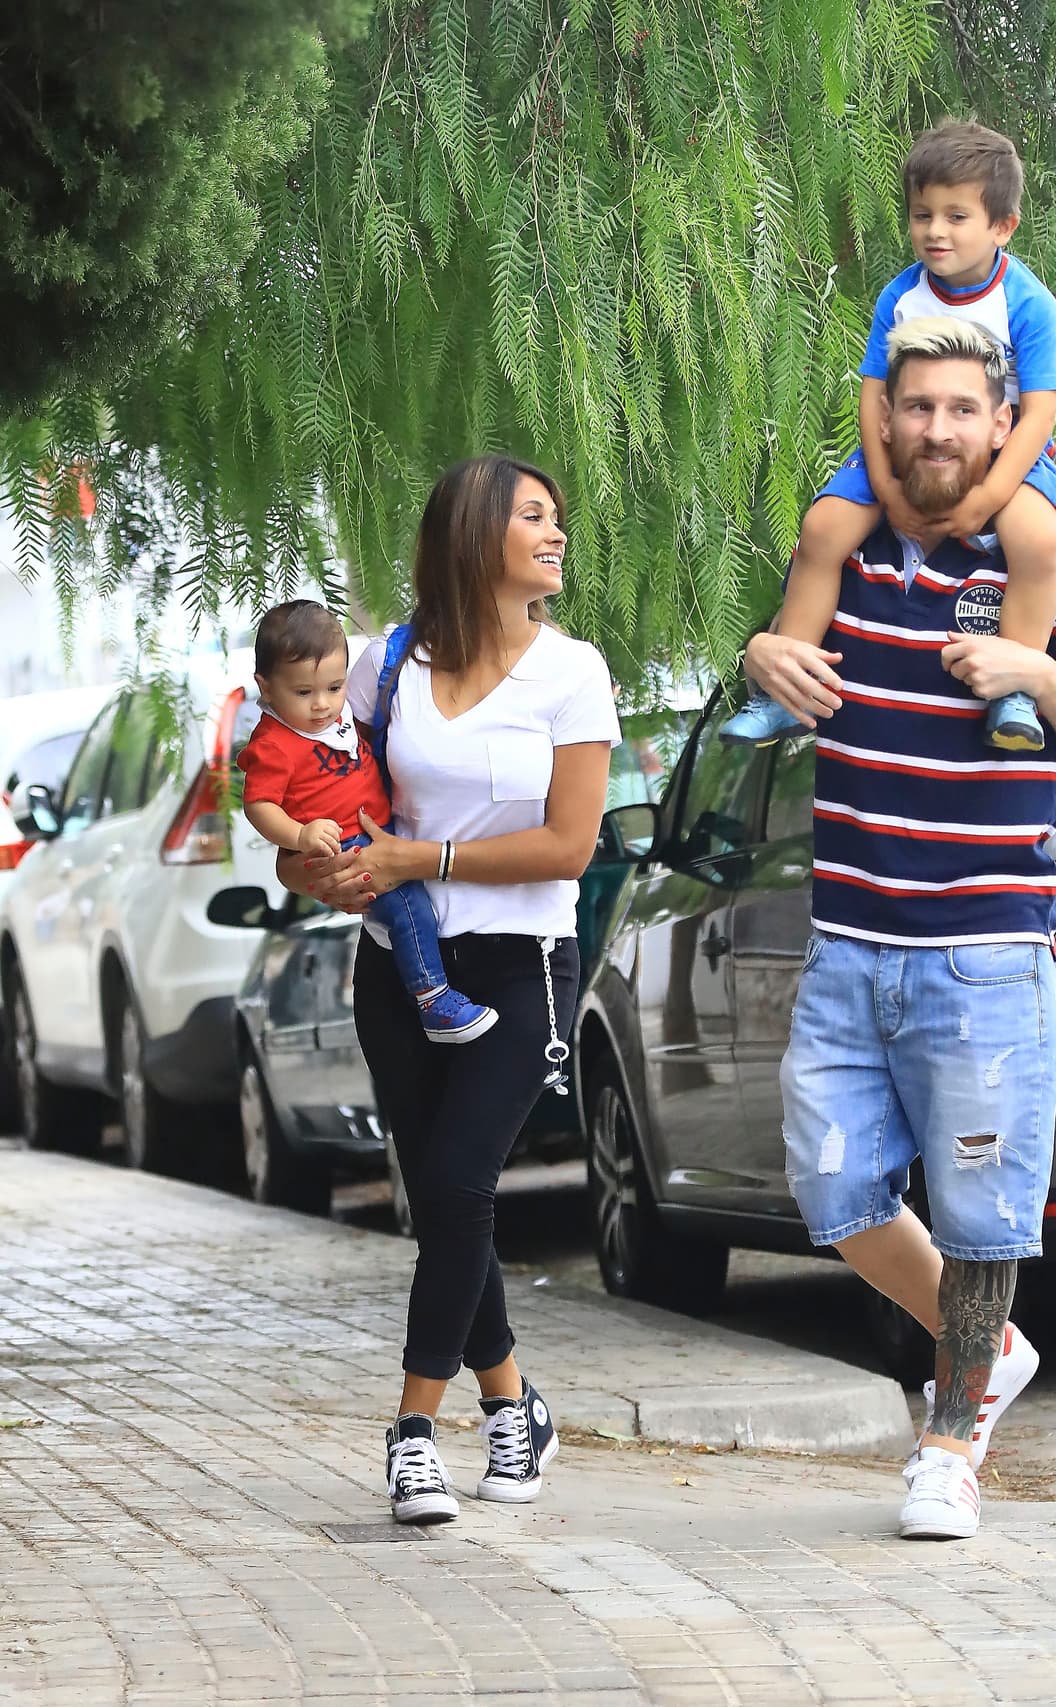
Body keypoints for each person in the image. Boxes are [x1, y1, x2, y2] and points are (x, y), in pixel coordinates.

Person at [746, 318, 1056, 1540]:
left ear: (999, 421)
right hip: (849, 939)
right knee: (829, 1184)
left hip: (983, 950)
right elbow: (783, 663)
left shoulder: (1051, 562)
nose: (934, 430)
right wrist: (764, 654)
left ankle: (948, 1439)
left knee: (979, 1211)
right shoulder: (847, 547)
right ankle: (988, 1350)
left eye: (960, 410)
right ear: (885, 419)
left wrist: (1033, 677)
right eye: (913, 407)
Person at [275, 456, 620, 1523]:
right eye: (532, 517)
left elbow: (568, 847)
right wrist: (315, 863)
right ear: (475, 536)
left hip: (521, 968)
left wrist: (420, 863)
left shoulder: (573, 673)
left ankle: (413, 1433)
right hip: (398, 967)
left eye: (555, 517)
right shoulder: (385, 667)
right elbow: (331, 811)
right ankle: (514, 1404)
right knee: (441, 1202)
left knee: (464, 1186)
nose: (555, 533)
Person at [724, 119, 1056, 755]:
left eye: (955, 216)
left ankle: (1014, 685)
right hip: (900, 446)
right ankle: (784, 689)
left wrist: (987, 497)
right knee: (824, 528)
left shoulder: (1027, 302)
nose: (935, 231)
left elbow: (1041, 415)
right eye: (922, 215)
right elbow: (873, 397)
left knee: (1034, 537)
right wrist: (884, 483)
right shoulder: (901, 295)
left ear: (1002, 226)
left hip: (1007, 452)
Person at [238, 600, 496, 1042]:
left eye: (334, 687)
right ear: (265, 685)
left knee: (417, 905)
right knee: (409, 909)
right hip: (349, 845)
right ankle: (433, 999)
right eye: (303, 693)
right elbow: (259, 805)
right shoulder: (274, 743)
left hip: (382, 830)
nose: (322, 704)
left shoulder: (337, 716)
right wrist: (300, 835)